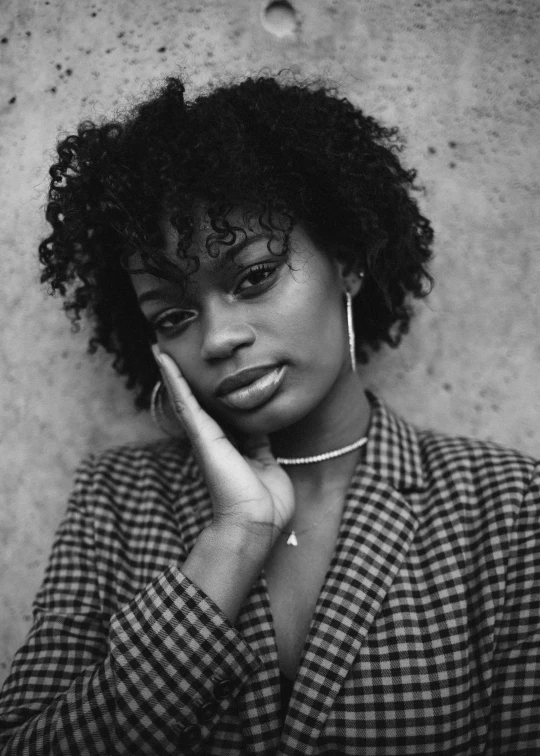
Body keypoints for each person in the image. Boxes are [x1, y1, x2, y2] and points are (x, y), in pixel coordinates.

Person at [0, 73, 538, 755]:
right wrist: (233, 542)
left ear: (347, 260)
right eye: (174, 314)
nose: (219, 337)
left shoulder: (510, 506)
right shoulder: (116, 498)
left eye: (253, 276)